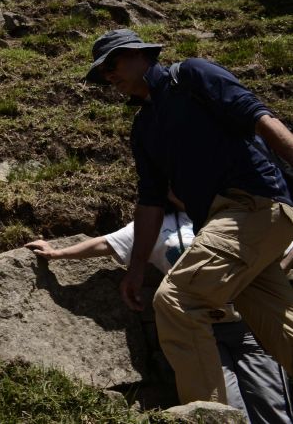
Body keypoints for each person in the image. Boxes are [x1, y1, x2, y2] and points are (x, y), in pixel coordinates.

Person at [85, 28, 293, 406]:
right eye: (102, 73)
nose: (108, 75)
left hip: (253, 205)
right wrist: (134, 270)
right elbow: (150, 202)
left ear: (139, 54)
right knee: (280, 327)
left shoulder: (192, 75)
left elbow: (260, 118)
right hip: (227, 223)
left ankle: (207, 415)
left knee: (178, 299)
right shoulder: (144, 126)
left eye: (112, 63)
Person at [27, 210, 293, 422]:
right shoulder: (158, 225)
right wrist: (57, 253)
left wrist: (263, 275)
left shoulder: (231, 213)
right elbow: (107, 243)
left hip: (249, 326)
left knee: (272, 403)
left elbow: (284, 240)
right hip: (197, 331)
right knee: (225, 408)